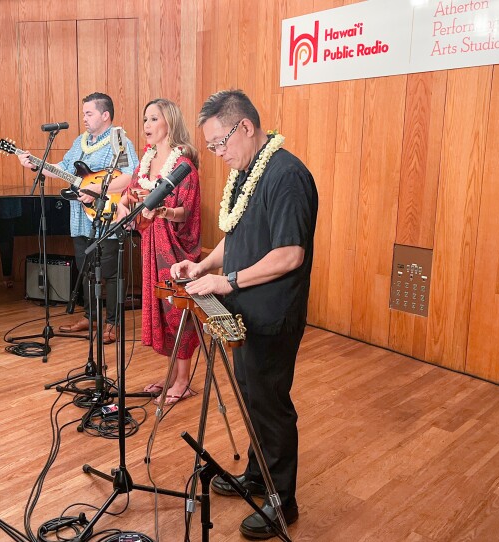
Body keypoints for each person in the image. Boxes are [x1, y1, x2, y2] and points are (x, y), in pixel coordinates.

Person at [171, 89, 317, 539]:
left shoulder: (286, 175)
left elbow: (290, 254)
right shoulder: (245, 171)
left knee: (270, 405)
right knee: (251, 399)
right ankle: (258, 476)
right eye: (211, 146)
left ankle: (282, 502)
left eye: (220, 143)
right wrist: (204, 265)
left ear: (246, 127)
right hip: (242, 312)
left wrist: (227, 282)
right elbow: (235, 233)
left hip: (272, 314)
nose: (217, 153)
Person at [17, 92, 138, 344]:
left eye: (89, 113)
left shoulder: (119, 139)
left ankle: (113, 323)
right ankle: (90, 316)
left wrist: (96, 190)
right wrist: (35, 164)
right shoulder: (80, 141)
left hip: (107, 213)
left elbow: (130, 176)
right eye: (83, 113)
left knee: (110, 271)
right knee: (85, 268)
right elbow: (62, 168)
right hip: (81, 217)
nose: (84, 118)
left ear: (105, 115)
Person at [114, 99, 201, 404]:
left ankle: (183, 381)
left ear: (170, 123)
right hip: (150, 245)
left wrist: (163, 211)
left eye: (154, 119)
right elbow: (129, 195)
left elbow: (185, 213)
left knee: (177, 312)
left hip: (175, 250)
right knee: (161, 312)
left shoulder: (183, 166)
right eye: (145, 119)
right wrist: (122, 209)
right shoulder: (146, 160)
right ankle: (171, 378)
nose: (147, 126)